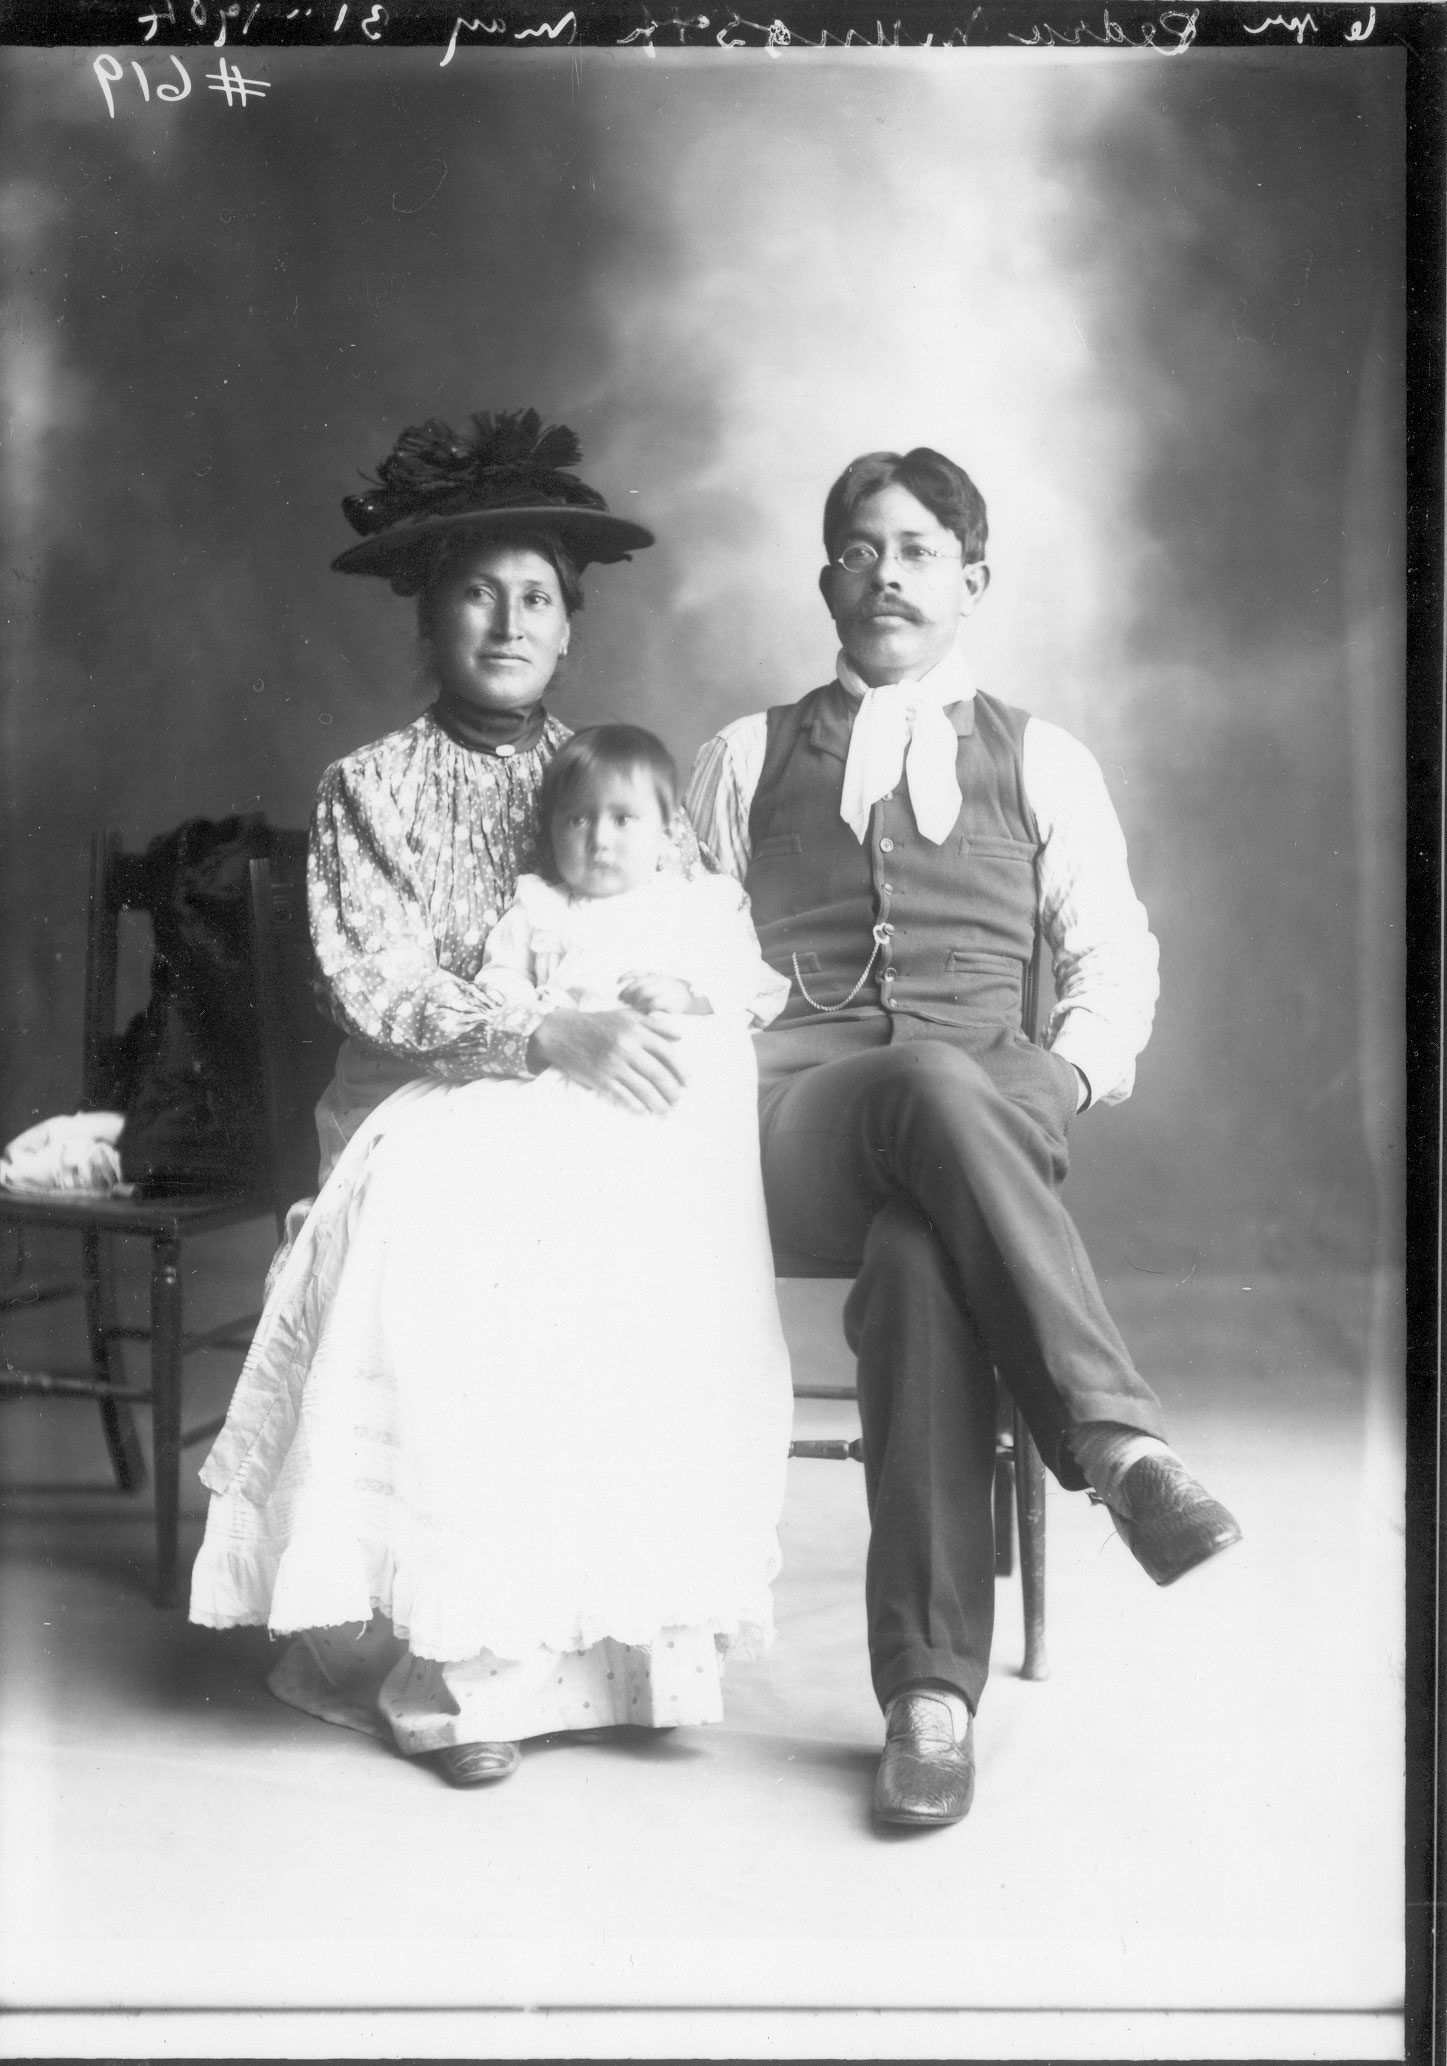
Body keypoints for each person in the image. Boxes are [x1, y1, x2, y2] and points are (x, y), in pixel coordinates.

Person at [189, 410, 793, 1785]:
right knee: (463, 1234)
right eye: (479, 592)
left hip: (579, 1121)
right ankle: (461, 1667)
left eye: (536, 597)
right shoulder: (369, 788)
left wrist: (649, 1020)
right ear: (430, 613)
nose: (510, 621)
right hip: (416, 1105)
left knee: (638, 1234)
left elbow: (694, 934)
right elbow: (379, 988)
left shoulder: (616, 778)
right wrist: (547, 1035)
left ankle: (610, 1648)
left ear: (568, 626)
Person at [685, 445, 1242, 1830]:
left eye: (920, 549)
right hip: (799, 1127)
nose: (887, 572)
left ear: (973, 581)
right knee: (928, 1084)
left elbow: (1113, 951)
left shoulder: (1044, 758)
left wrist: (1069, 1075)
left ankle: (929, 1700)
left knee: (927, 1262)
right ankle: (1118, 1443)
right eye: (862, 548)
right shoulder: (744, 755)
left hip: (981, 1143)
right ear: (826, 579)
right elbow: (683, 952)